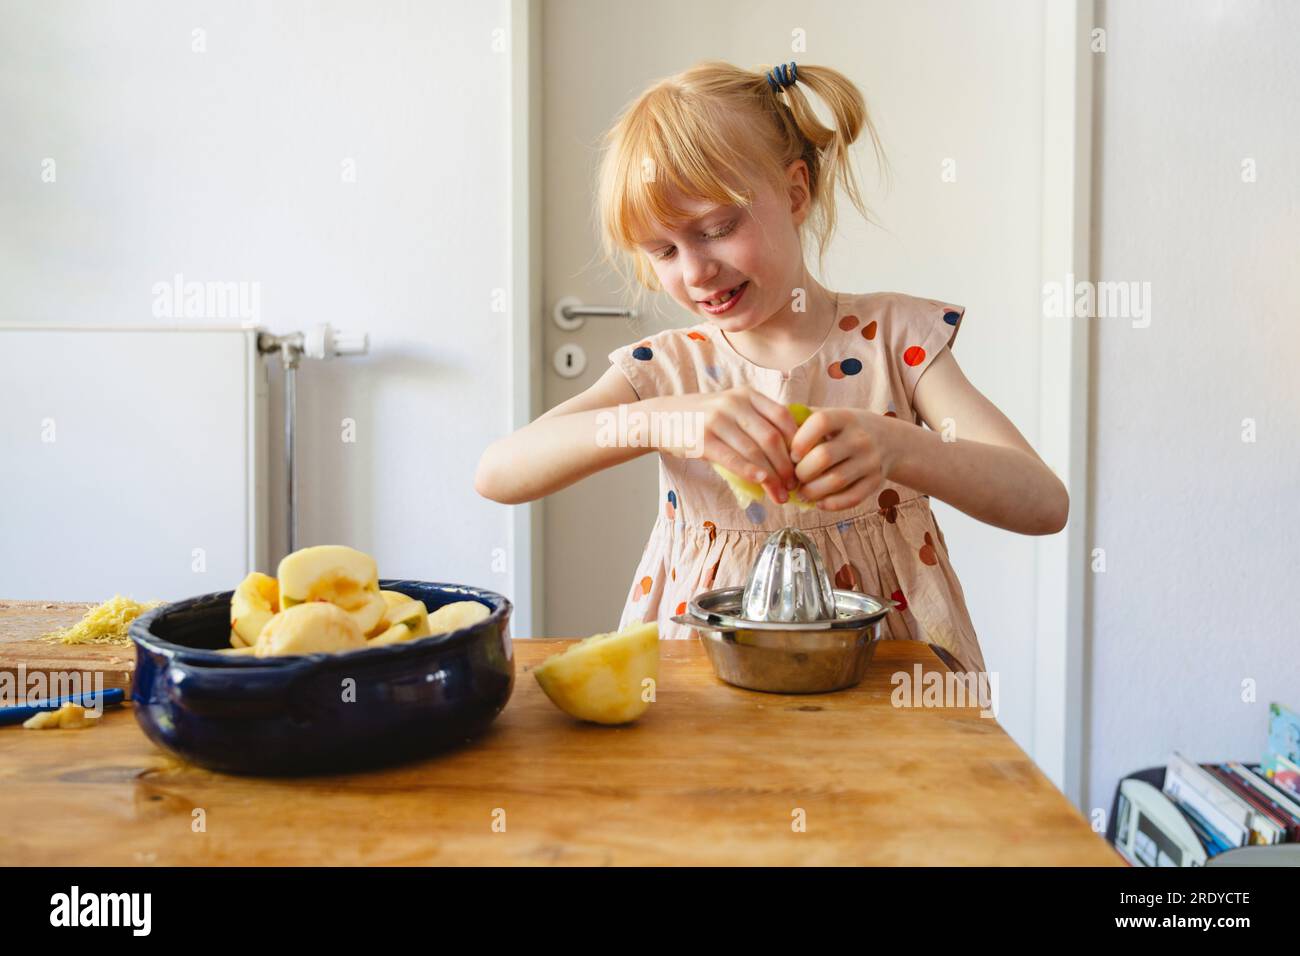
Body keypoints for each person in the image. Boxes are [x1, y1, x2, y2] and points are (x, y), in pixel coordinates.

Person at [476, 60, 1069, 676]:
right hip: (707, 677)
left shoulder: (896, 341)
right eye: (664, 251)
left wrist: (898, 447)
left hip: (887, 677)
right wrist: (661, 419)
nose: (696, 271)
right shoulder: (666, 371)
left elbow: (1043, 503)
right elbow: (498, 472)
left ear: (795, 193)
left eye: (718, 229)